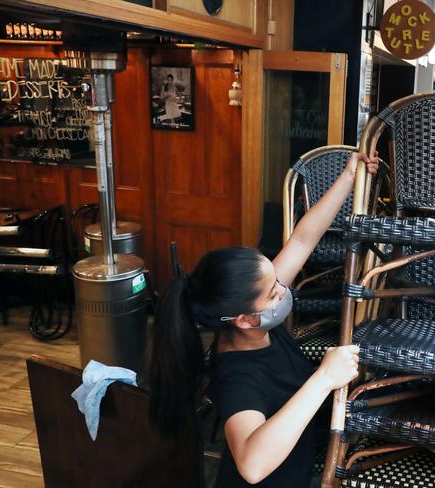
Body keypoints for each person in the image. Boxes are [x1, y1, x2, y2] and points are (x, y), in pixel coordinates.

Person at [149, 151, 380, 487]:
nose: (283, 291)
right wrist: (323, 379)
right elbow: (252, 465)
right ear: (244, 319)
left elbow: (303, 239)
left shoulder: (257, 321)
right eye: (273, 292)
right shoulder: (236, 376)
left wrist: (347, 178)